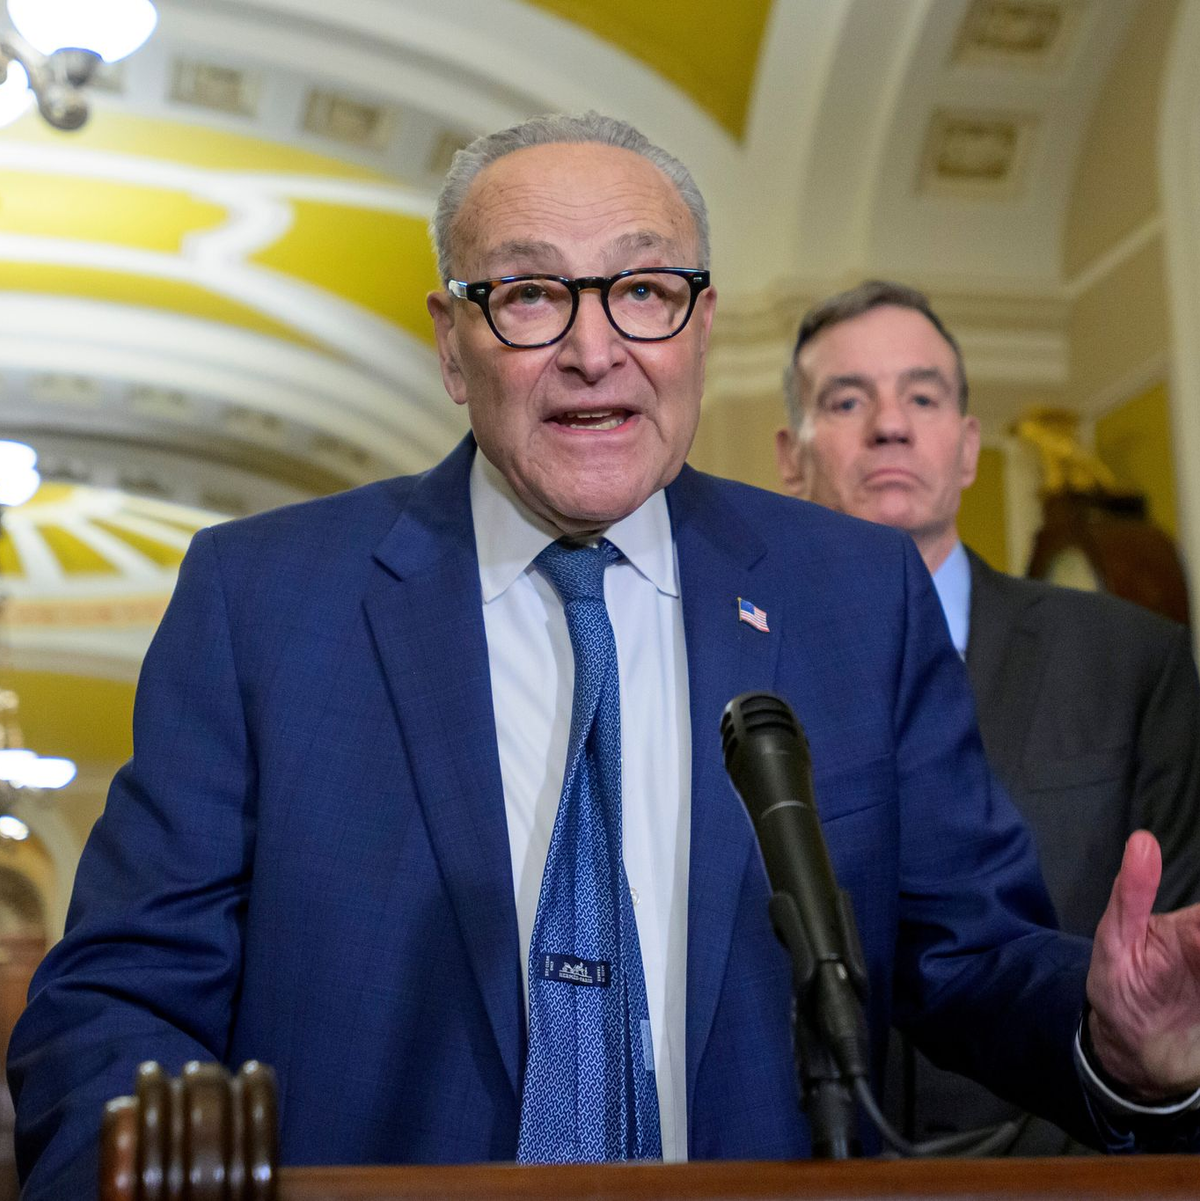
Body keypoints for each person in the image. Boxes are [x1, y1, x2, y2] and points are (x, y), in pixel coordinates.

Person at [10, 117, 1200, 1200]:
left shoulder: (852, 596)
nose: (594, 349)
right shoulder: (262, 601)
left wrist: (1115, 1036)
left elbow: (973, 956)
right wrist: (147, 1171)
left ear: (701, 324)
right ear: (450, 339)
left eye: (642, 289)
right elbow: (115, 1000)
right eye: (529, 294)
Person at [775, 278, 1200, 1151]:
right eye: (847, 398)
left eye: (923, 396)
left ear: (969, 449)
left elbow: (1178, 971)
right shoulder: (739, 666)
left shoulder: (1133, 662)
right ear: (791, 455)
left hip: (1074, 1169)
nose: (890, 424)